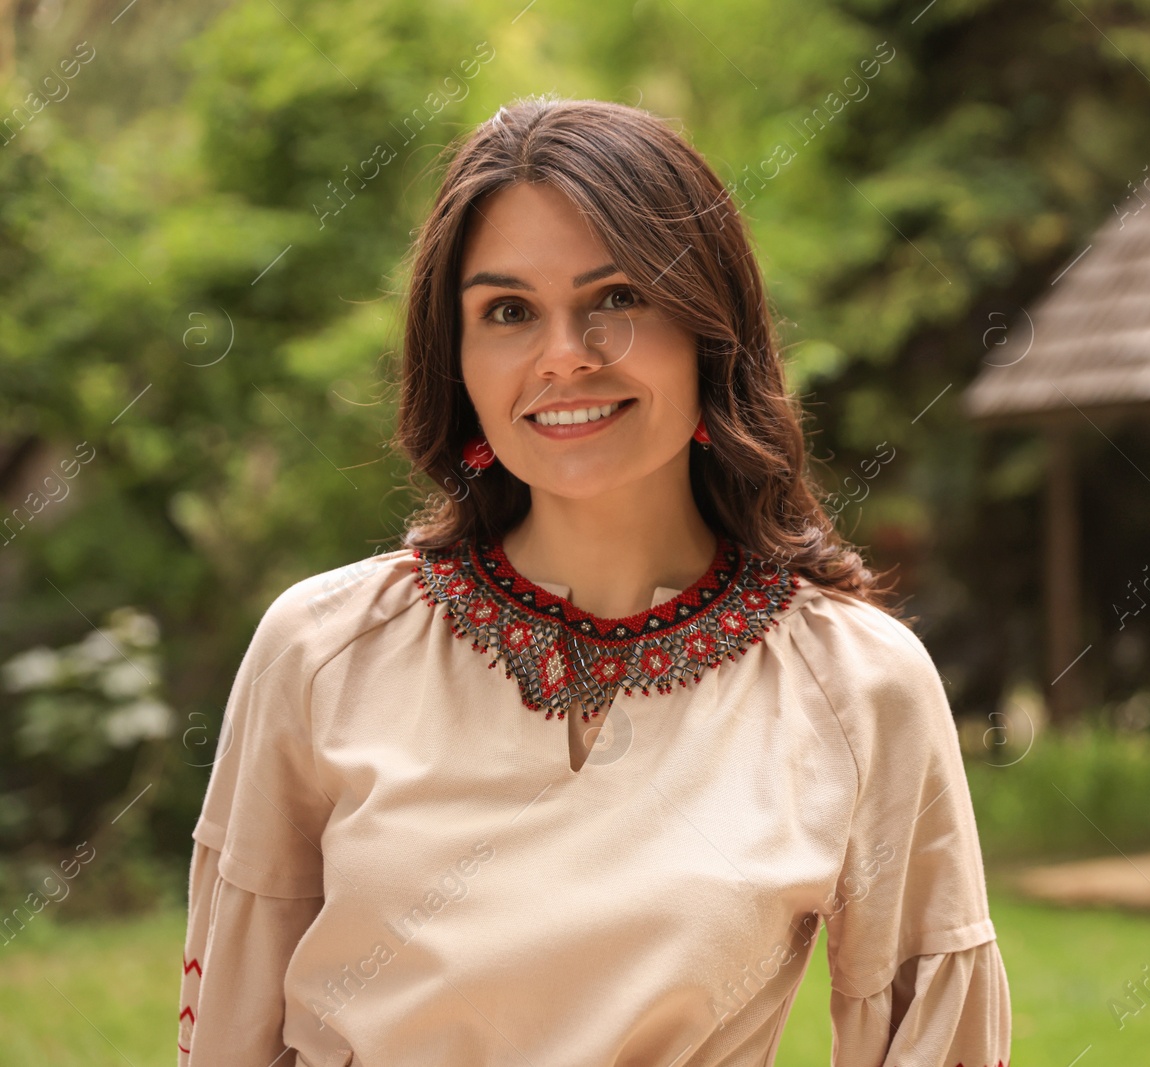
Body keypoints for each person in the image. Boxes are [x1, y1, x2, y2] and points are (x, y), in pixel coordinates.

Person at [176, 94, 1011, 1067]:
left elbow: (931, 1035)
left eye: (616, 297)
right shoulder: (320, 650)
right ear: (457, 359)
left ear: (710, 327)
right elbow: (229, 1035)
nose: (563, 354)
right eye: (507, 311)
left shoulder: (857, 684)